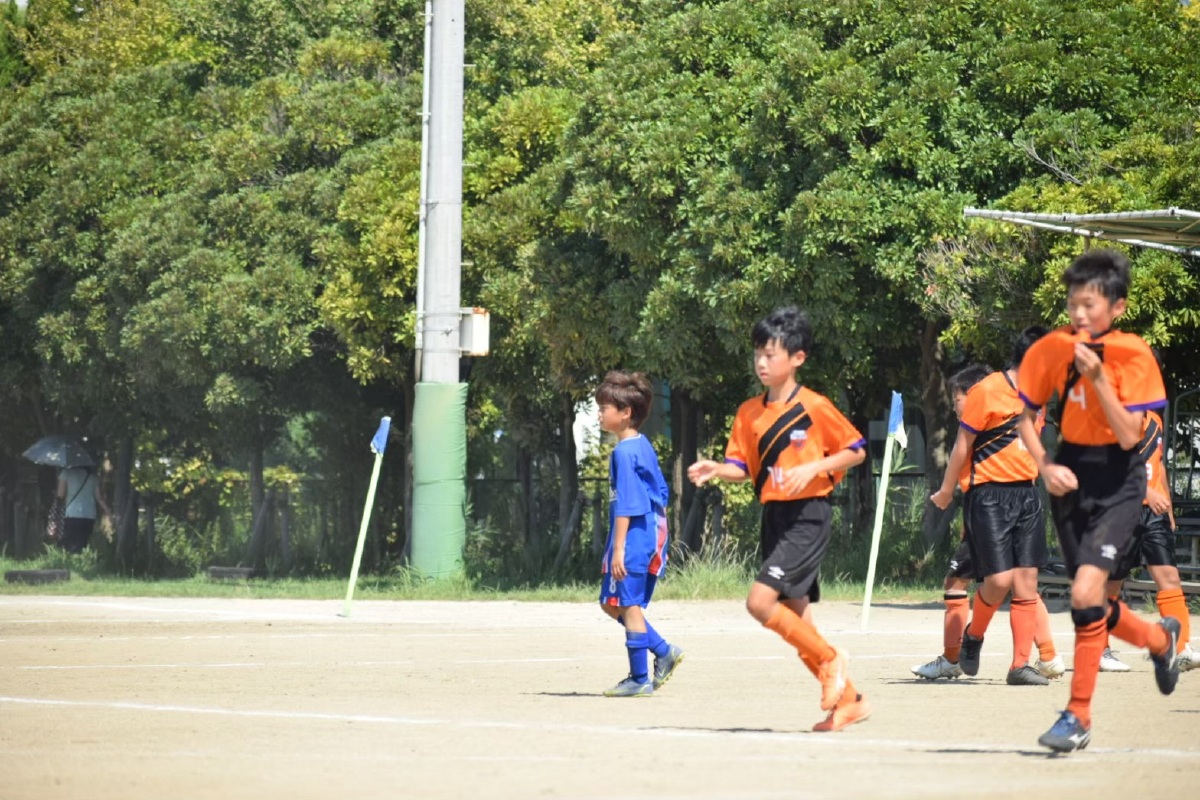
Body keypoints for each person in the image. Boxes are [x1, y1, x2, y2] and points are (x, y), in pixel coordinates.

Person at [1016, 248, 1180, 753]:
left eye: (1090, 304)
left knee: (1087, 593)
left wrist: (1100, 379)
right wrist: (1045, 465)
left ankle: (1077, 716)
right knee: (1089, 600)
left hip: (1119, 477)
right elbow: (1027, 417)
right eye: (1073, 304)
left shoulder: (1133, 353)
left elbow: (1132, 435)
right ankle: (1159, 640)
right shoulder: (1051, 348)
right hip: (1071, 472)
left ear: (1117, 306)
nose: (1079, 313)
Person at [687, 306, 869, 732]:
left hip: (809, 515)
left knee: (759, 602)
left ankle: (831, 660)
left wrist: (814, 467)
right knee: (798, 620)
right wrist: (717, 469)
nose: (761, 362)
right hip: (774, 516)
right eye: (758, 354)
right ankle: (850, 702)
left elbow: (857, 451)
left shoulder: (814, 406)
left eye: (770, 354)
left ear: (797, 358)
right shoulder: (748, 412)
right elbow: (743, 468)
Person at [927, 328, 1055, 687]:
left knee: (1026, 582)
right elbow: (962, 445)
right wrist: (947, 490)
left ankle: (1019, 665)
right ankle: (974, 636)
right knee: (998, 581)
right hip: (989, 495)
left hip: (1027, 495)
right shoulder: (987, 390)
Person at [594, 370, 683, 697]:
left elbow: (628, 504)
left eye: (604, 408)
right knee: (611, 603)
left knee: (627, 603)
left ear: (625, 412)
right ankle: (663, 651)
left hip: (635, 534)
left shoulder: (624, 452)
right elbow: (659, 492)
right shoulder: (641, 445)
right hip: (645, 531)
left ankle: (639, 678)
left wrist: (619, 548)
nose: (600, 414)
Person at [1100, 407, 1200, 672]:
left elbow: (1159, 465)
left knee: (1169, 577)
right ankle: (1099, 648)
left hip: (1154, 514)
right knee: (1111, 584)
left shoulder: (1154, 420)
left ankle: (1181, 649)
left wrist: (1168, 507)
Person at [910, 531, 1065, 681]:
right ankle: (1048, 656)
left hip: (987, 521)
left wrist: (967, 522)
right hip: (1020, 521)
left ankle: (952, 658)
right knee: (1022, 586)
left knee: (955, 583)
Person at [56, 466, 108, 554]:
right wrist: (109, 513)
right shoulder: (92, 476)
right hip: (89, 515)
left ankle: (71, 561)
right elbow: (99, 498)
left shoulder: (66, 473)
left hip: (72, 513)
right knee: (83, 544)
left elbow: (60, 495)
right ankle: (81, 560)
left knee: (70, 545)